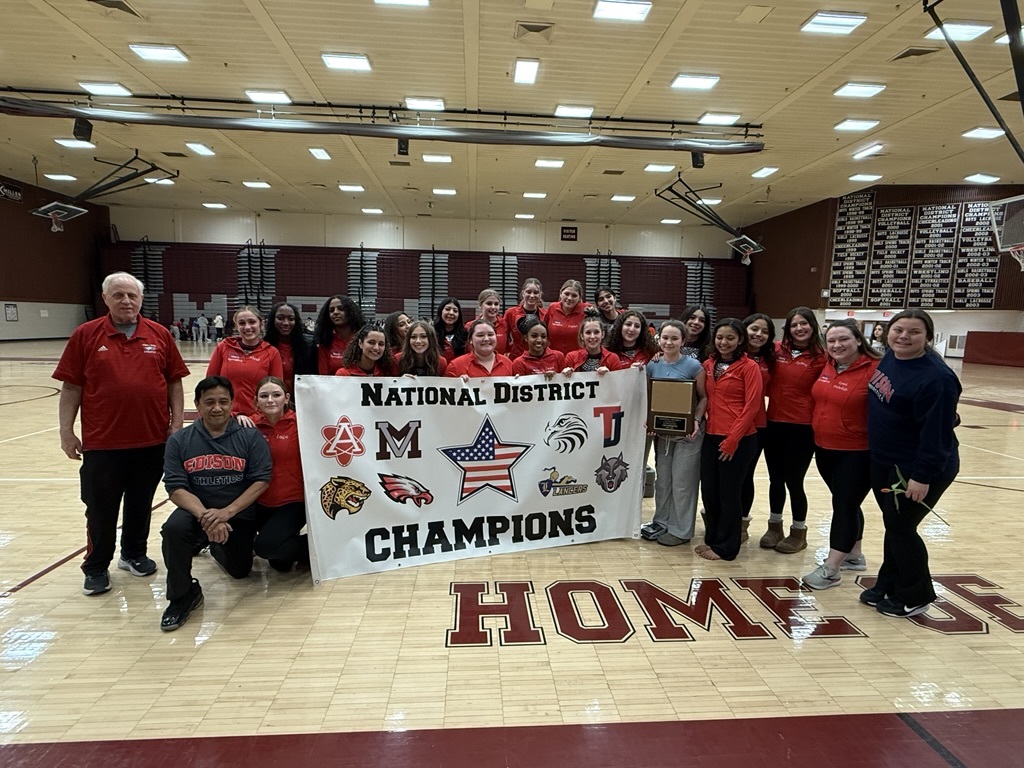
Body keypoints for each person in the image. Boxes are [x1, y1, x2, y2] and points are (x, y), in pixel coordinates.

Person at [53, 272, 189, 596]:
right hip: (103, 443)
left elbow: (174, 382)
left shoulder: (159, 334)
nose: (126, 301)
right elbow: (71, 386)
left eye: (132, 296)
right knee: (100, 508)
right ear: (105, 299)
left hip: (152, 440)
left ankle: (133, 553)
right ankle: (96, 566)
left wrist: (176, 425)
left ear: (141, 299)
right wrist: (66, 432)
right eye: (119, 295)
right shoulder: (85, 335)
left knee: (141, 503)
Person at [862, 310, 961, 617]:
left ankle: (917, 594)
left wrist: (922, 475)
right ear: (886, 333)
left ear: (928, 337)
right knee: (895, 526)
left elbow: (937, 435)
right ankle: (889, 582)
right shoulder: (891, 358)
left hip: (915, 468)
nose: (904, 336)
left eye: (914, 332)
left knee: (903, 529)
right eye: (898, 330)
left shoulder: (937, 378)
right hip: (885, 460)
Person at [159, 376, 272, 631]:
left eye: (223, 401)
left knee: (240, 571)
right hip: (196, 511)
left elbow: (261, 481)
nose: (217, 407)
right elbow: (175, 488)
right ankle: (182, 596)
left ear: (232, 403)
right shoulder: (180, 440)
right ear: (197, 405)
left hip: (236, 513)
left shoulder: (249, 438)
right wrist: (206, 516)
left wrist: (226, 512)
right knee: (173, 530)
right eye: (209, 402)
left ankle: (212, 545)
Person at [801, 319, 881, 589]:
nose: (837, 345)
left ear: (859, 340)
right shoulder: (830, 365)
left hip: (858, 452)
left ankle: (831, 569)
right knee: (846, 501)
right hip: (825, 448)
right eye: (831, 340)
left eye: (843, 339)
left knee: (844, 506)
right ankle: (855, 556)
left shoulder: (876, 369)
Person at [759, 307, 827, 554]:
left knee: (794, 480)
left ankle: (798, 531)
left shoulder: (822, 356)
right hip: (774, 423)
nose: (799, 328)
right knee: (775, 479)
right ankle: (774, 526)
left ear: (812, 326)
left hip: (803, 427)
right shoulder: (776, 350)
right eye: (794, 324)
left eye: (804, 323)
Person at [696, 318, 762, 562]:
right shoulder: (708, 364)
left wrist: (733, 439)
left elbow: (752, 406)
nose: (724, 342)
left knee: (729, 494)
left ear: (740, 340)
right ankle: (712, 539)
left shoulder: (749, 367)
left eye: (730, 338)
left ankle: (727, 547)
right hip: (711, 436)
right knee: (710, 492)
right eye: (720, 337)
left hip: (739, 440)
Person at [645, 320, 707, 546]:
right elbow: (651, 398)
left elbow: (704, 397)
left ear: (683, 341)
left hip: (688, 435)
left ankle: (681, 530)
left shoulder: (693, 366)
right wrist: (651, 420)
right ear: (658, 339)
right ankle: (661, 522)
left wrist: (696, 421)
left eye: (674, 338)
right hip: (663, 433)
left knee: (683, 483)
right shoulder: (653, 365)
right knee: (663, 482)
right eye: (665, 338)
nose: (669, 342)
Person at [251, 377, 309, 572]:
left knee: (265, 547)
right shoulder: (249, 426)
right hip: (261, 502)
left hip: (293, 502)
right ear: (256, 400)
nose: (270, 400)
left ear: (286, 398)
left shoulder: (301, 423)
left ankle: (322, 548)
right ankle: (305, 550)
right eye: (264, 396)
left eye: (276, 395)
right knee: (280, 563)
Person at [206, 306, 284, 418]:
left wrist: (257, 417)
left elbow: (276, 392)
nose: (247, 327)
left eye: (252, 322)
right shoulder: (223, 347)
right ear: (236, 326)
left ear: (261, 324)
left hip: (259, 419)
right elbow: (210, 385)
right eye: (242, 323)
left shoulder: (272, 352)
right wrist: (232, 414)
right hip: (226, 417)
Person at [739, 313, 776, 544]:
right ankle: (719, 518)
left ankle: (742, 523)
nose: (758, 334)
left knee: (746, 476)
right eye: (754, 329)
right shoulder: (728, 354)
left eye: (764, 331)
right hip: (723, 423)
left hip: (757, 425)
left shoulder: (772, 358)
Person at [263, 302, 315, 394]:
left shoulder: (309, 347)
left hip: (301, 398)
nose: (286, 323)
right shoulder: (263, 346)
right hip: (273, 399)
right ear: (272, 320)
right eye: (280, 318)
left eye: (291, 319)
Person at [314, 295, 366, 375]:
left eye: (341, 309)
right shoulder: (325, 341)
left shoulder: (364, 338)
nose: (335, 312)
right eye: (331, 310)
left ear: (351, 311)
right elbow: (324, 376)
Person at [445, 319, 515, 378]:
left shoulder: (508, 363)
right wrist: (456, 385)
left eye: (490, 334)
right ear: (470, 340)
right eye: (480, 335)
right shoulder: (455, 366)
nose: (486, 339)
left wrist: (518, 381)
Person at [504, 277, 546, 360]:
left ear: (540, 294)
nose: (532, 295)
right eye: (529, 292)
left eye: (536, 292)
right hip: (517, 358)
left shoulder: (546, 314)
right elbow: (504, 336)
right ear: (523, 293)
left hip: (539, 358)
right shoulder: (511, 313)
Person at [545, 279, 588, 355]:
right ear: (561, 293)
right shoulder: (552, 308)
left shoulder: (585, 311)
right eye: (566, 294)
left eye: (574, 295)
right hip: (554, 359)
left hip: (577, 359)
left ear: (579, 298)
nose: (569, 298)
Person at [467, 289, 510, 356]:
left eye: (496, 304)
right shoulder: (470, 326)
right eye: (489, 303)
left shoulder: (505, 324)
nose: (493, 307)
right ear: (480, 305)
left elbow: (508, 349)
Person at [434, 297, 468, 363]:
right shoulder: (431, 333)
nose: (451, 313)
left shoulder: (465, 335)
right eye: (447, 309)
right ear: (441, 311)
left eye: (455, 311)